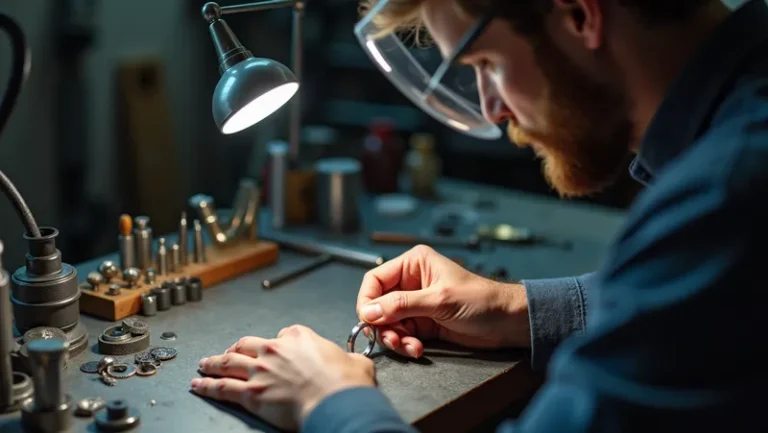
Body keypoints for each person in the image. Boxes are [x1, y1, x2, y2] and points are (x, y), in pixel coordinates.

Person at [189, 0, 768, 431]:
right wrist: (520, 310)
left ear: (578, 14)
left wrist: (331, 403)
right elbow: (711, 306)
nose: (493, 108)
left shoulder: (726, 192)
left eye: (487, 63)